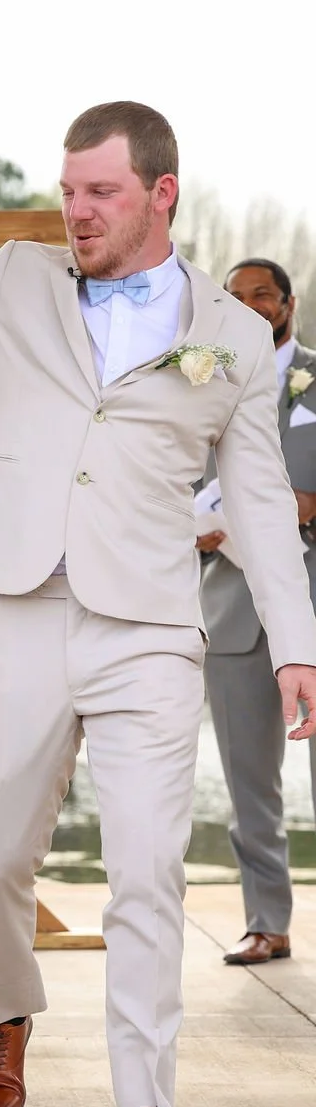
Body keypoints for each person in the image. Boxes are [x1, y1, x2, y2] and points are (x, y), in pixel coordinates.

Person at [0, 103, 316, 1107]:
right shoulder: (13, 282)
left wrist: (296, 643)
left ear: (161, 194)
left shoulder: (236, 339)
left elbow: (256, 504)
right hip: (13, 606)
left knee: (149, 866)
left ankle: (143, 1103)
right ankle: (4, 1011)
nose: (77, 212)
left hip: (150, 624)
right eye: (68, 191)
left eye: (99, 192)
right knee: (0, 851)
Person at [197, 259, 316, 966]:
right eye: (234, 297)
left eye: (261, 295)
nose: (248, 306)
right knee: (249, 779)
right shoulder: (198, 383)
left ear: (287, 303)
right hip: (235, 608)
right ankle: (266, 921)